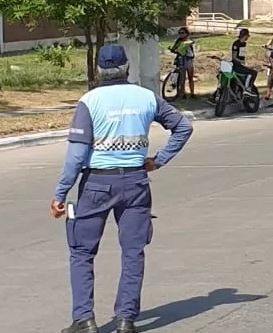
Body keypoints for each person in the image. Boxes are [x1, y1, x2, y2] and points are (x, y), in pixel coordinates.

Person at [52, 46, 193, 333]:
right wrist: (158, 160)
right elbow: (183, 127)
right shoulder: (146, 97)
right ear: (127, 68)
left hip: (97, 184)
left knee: (81, 251)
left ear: (99, 70)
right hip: (136, 183)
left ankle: (84, 319)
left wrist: (61, 192)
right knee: (133, 251)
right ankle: (126, 318)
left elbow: (77, 156)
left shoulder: (89, 102)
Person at [168, 27, 195, 98]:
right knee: (182, 78)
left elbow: (192, 53)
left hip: (188, 60)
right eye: (179, 33)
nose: (181, 35)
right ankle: (183, 93)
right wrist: (172, 50)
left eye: (182, 33)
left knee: (190, 77)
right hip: (181, 60)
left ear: (186, 34)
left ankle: (192, 93)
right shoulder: (178, 41)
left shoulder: (189, 42)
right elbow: (174, 49)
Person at [230, 28, 258, 96]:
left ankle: (244, 87)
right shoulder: (236, 44)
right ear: (245, 36)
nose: (248, 37)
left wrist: (244, 61)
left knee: (248, 73)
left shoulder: (244, 44)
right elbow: (234, 57)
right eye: (247, 36)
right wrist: (241, 61)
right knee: (253, 73)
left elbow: (242, 55)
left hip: (240, 64)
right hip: (236, 65)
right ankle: (247, 89)